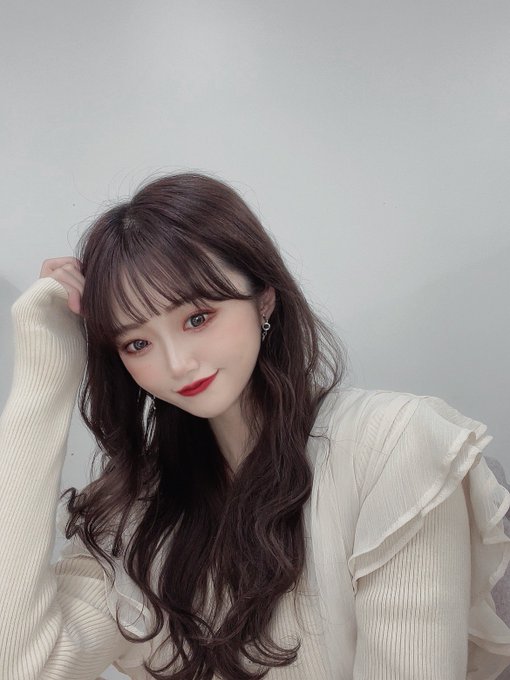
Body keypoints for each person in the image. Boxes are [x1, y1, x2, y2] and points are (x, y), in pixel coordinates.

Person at [1, 172, 509, 680]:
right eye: (138, 343)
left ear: (263, 297)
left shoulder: (395, 447)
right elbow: (22, 666)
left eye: (197, 318)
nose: (178, 364)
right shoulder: (132, 518)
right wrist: (45, 374)